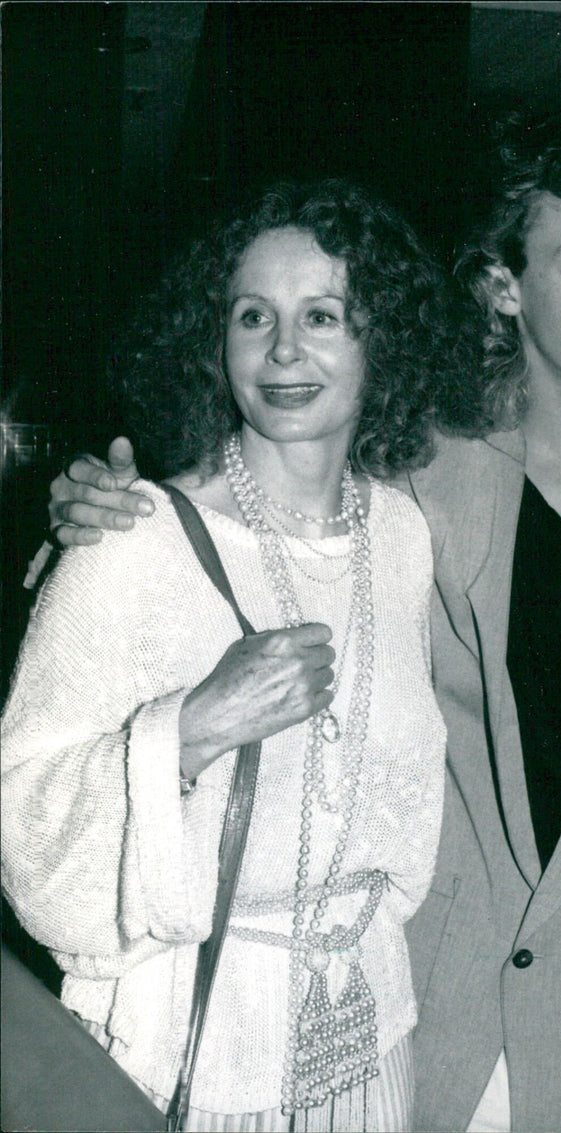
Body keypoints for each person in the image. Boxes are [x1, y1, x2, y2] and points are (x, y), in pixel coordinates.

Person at [41, 115, 561, 1132]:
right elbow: (257, 504)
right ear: (500, 287)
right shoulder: (418, 479)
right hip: (425, 1034)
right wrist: (83, 522)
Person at [1, 178, 459, 1132]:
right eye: (254, 316)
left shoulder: (404, 534)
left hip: (368, 1030)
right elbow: (22, 812)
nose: (284, 349)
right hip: (193, 1049)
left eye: (323, 315)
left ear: (384, 341)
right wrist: (192, 729)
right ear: (216, 343)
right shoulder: (131, 538)